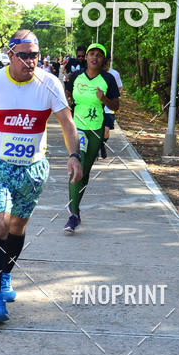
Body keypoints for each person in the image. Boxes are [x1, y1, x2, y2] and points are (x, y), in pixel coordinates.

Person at [0, 29, 82, 324]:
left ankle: (6, 273)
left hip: (32, 169)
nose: (30, 61)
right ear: (10, 55)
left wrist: (75, 156)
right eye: (23, 55)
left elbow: (67, 122)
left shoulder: (49, 84)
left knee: (17, 228)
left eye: (34, 55)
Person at [64, 43, 119, 233]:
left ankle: (76, 212)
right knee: (76, 169)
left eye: (99, 55)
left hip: (95, 129)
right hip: (76, 128)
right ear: (86, 57)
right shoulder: (75, 76)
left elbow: (116, 106)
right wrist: (69, 102)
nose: (94, 57)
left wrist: (104, 99)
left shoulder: (108, 79)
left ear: (103, 60)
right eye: (91, 54)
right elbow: (67, 93)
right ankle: (73, 214)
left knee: (85, 171)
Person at [100, 55, 123, 159]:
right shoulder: (96, 73)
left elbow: (120, 88)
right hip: (98, 107)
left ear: (109, 61)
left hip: (109, 108)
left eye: (106, 62)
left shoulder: (114, 74)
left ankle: (102, 145)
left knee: (106, 130)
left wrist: (113, 98)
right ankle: (96, 146)